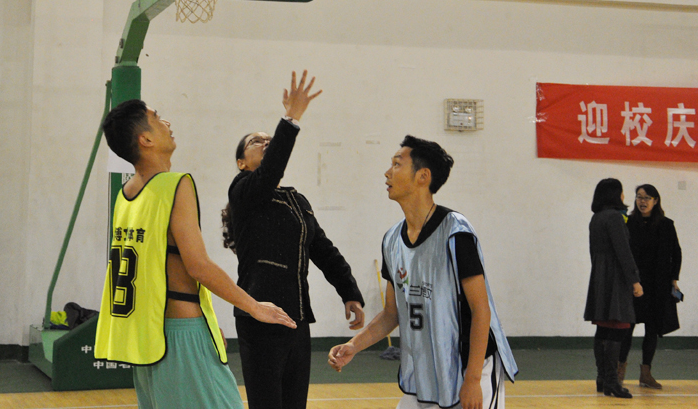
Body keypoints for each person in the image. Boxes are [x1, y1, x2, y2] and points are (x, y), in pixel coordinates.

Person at [94, 99, 296, 409]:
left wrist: (207, 323)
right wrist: (253, 306)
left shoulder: (126, 195)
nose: (166, 123)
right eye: (157, 118)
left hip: (146, 338)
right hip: (180, 337)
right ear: (145, 139)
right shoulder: (174, 185)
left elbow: (158, 269)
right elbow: (198, 266)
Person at [328, 136, 518, 409]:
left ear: (423, 176)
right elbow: (392, 313)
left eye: (397, 164)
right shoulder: (392, 240)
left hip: (471, 368)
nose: (387, 172)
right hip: (427, 371)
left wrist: (473, 379)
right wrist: (353, 346)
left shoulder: (456, 232)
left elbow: (481, 310)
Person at [221, 71, 366, 409]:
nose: (266, 142)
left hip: (297, 320)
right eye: (256, 141)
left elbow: (323, 249)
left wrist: (349, 291)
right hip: (260, 318)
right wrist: (291, 119)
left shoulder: (296, 201)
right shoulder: (243, 191)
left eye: (269, 138)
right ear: (241, 162)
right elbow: (270, 171)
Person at [583, 178, 643, 399]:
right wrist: (634, 280)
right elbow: (623, 252)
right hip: (616, 278)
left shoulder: (596, 218)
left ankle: (603, 378)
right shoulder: (615, 218)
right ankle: (612, 381)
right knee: (618, 328)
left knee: (603, 328)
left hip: (600, 277)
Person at [618, 184, 682, 389]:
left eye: (647, 198)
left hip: (658, 286)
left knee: (652, 330)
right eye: (639, 197)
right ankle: (619, 373)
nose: (642, 201)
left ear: (656, 201)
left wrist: (674, 279)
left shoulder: (666, 224)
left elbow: (676, 253)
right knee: (627, 328)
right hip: (634, 284)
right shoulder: (628, 223)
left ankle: (646, 374)